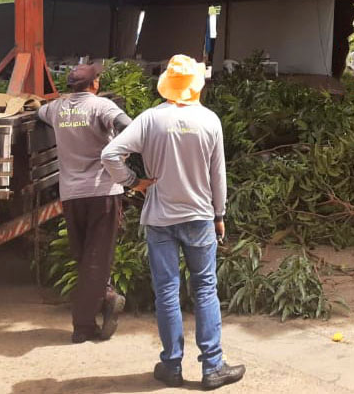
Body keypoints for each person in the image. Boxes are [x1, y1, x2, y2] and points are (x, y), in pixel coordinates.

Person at [101, 55, 245, 391]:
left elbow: (109, 154)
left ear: (168, 84)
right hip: (198, 218)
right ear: (195, 85)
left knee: (166, 293)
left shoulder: (150, 120)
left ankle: (171, 365)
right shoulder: (209, 121)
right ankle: (212, 367)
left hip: (160, 220)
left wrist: (133, 181)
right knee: (205, 290)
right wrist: (219, 215)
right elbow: (217, 176)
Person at [37, 63, 133, 344]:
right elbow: (127, 125)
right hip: (102, 192)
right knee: (97, 257)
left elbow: (37, 112)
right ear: (94, 84)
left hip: (72, 195)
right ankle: (83, 325)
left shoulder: (57, 109)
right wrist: (121, 154)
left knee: (84, 256)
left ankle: (105, 296)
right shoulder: (101, 107)